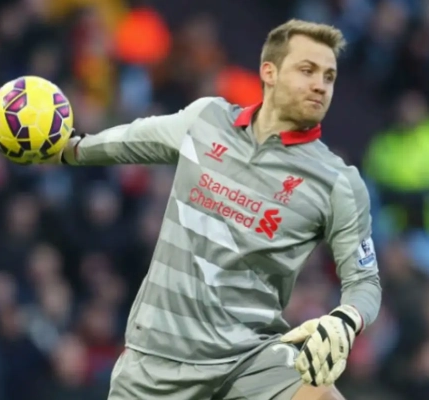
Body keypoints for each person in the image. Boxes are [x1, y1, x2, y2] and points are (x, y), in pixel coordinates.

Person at [49, 19, 381, 400]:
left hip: (249, 359)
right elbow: (127, 140)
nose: (321, 85)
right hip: (157, 359)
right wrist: (65, 149)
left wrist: (347, 319)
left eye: (329, 76)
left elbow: (364, 281)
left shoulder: (338, 182)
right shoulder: (207, 120)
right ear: (269, 72)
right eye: (307, 70)